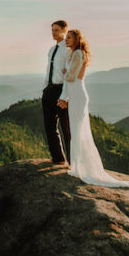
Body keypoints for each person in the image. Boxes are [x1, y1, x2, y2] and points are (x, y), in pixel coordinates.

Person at [58, 29, 129, 190]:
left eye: (69, 38)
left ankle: (82, 168)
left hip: (77, 93)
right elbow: (71, 76)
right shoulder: (75, 53)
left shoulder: (77, 54)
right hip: (75, 92)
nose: (67, 40)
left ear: (77, 39)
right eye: (67, 38)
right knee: (77, 130)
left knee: (77, 130)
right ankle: (79, 167)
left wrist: (64, 76)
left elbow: (71, 77)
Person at [41, 20, 72, 165]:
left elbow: (68, 75)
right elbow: (49, 70)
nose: (53, 32)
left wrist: (64, 96)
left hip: (61, 91)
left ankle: (73, 162)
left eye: (57, 30)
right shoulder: (51, 50)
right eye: (52, 30)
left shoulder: (67, 50)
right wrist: (45, 88)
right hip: (49, 90)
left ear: (65, 31)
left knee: (66, 129)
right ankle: (58, 158)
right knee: (50, 127)